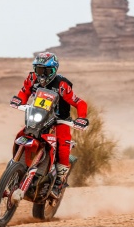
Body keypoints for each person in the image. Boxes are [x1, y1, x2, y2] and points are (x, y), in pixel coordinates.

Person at [9, 52, 88, 198]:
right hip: (39, 116)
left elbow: (79, 102)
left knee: (63, 147)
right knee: (22, 134)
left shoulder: (63, 85)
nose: (42, 75)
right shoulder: (32, 78)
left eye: (46, 71)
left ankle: (59, 182)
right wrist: (19, 100)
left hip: (60, 120)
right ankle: (14, 167)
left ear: (54, 70)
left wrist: (82, 118)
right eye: (39, 70)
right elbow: (24, 92)